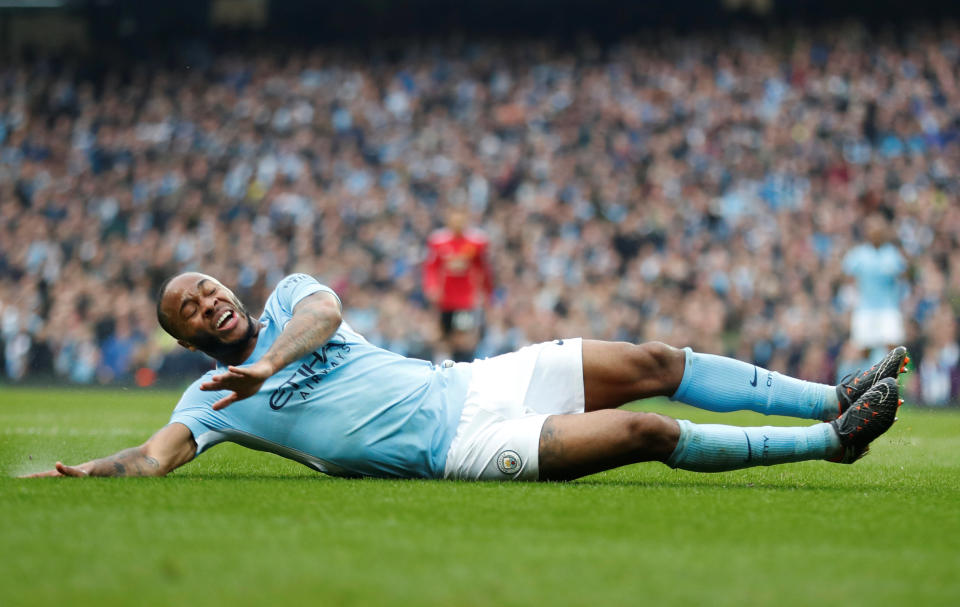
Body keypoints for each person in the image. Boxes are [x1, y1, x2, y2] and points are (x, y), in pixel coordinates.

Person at [24, 272, 908, 481]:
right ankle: (833, 443)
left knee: (656, 363)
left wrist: (268, 362)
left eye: (210, 286)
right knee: (648, 431)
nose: (210, 298)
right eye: (192, 307)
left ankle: (830, 394)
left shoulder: (291, 298)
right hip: (466, 445)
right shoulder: (207, 401)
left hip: (477, 377)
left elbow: (325, 315)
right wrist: (88, 473)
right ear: (184, 338)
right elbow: (152, 455)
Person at [423, 207, 494, 362]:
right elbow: (432, 267)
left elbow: (484, 269)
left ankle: (463, 365)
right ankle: (445, 365)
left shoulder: (477, 241)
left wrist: (486, 293)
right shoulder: (438, 241)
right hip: (445, 300)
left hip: (465, 300)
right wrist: (431, 287)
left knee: (462, 336)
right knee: (444, 336)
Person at [842, 213, 908, 359]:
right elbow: (847, 279)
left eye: (879, 227)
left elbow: (904, 277)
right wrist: (850, 304)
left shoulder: (892, 253)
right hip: (865, 307)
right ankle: (867, 380)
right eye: (872, 227)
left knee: (894, 348)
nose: (875, 231)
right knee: (863, 348)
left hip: (888, 307)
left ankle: (893, 380)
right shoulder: (859, 254)